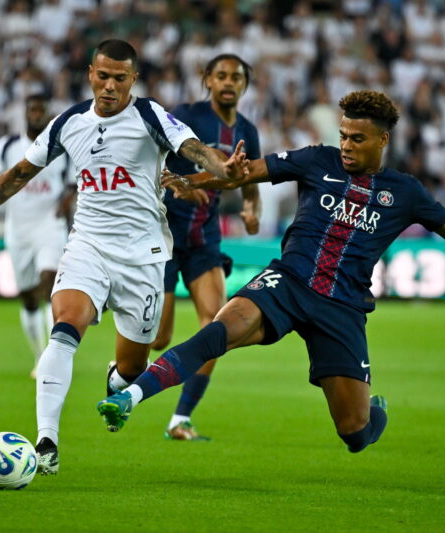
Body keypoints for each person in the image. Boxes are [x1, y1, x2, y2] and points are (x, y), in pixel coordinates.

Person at [97, 90, 445, 453]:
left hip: (342, 307)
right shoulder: (317, 160)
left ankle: (375, 410)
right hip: (287, 283)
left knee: (354, 433)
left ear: (382, 141)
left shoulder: (405, 192)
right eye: (343, 136)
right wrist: (191, 180)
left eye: (357, 139)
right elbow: (244, 173)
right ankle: (129, 397)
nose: (346, 145)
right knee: (218, 330)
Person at [0, 39, 247, 474]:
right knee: (65, 328)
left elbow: (193, 148)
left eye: (120, 78)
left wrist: (222, 167)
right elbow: (21, 171)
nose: (110, 86)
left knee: (134, 367)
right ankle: (46, 441)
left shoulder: (150, 115)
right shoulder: (69, 122)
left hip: (142, 257)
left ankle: (116, 379)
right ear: (90, 74)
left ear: (133, 79)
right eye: (103, 76)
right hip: (88, 246)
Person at [119, 53, 261, 441]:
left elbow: (250, 180)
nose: (228, 82)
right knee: (159, 338)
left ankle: (179, 419)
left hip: (204, 240)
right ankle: (122, 370)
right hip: (164, 235)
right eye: (221, 75)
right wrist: (180, 185)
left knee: (215, 328)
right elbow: (151, 159)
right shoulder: (185, 116)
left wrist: (251, 209)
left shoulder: (247, 129)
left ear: (244, 85)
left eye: (236, 77)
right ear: (207, 80)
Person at [0, 93, 73, 378]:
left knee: (49, 285)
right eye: (31, 110)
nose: (35, 114)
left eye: (40, 110)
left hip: (50, 225)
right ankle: (38, 355)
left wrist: (64, 204)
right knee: (29, 298)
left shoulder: (61, 147)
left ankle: (52, 358)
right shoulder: (8, 145)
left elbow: (73, 183)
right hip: (18, 228)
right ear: (25, 113)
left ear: (47, 114)